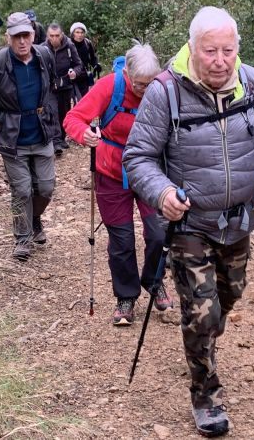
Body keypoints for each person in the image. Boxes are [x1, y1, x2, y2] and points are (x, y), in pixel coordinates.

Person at [124, 6, 254, 438]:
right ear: (193, 48)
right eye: (210, 51)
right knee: (202, 314)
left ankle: (201, 337)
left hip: (239, 221)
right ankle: (206, 396)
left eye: (228, 50)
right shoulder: (165, 93)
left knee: (230, 295)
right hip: (189, 223)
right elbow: (139, 157)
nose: (220, 60)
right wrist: (163, 193)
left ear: (237, 48)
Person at [64, 43, 167, 326]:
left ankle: (155, 282)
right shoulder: (110, 86)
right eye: (139, 84)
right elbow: (73, 118)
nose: (145, 89)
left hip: (149, 171)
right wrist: (84, 134)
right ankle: (126, 297)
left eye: (150, 83)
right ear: (127, 73)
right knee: (122, 240)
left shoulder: (162, 87)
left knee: (159, 234)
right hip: (112, 172)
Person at [0, 12, 59, 261]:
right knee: (21, 190)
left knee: (45, 187)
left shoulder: (44, 56)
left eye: (26, 35)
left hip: (42, 133)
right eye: (16, 37)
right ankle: (22, 239)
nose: (22, 41)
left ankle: (34, 218)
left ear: (33, 35)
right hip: (13, 139)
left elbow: (51, 84)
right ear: (8, 38)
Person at [45, 23, 85, 154]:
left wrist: (75, 72)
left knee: (64, 112)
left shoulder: (69, 46)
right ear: (47, 35)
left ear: (62, 35)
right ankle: (55, 141)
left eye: (57, 35)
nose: (54, 39)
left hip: (66, 85)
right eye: (51, 36)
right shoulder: (42, 48)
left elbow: (79, 64)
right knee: (53, 112)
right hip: (50, 86)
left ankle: (61, 138)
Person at [70, 22, 100, 100]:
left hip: (84, 76)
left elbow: (93, 58)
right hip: (72, 76)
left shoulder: (87, 43)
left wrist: (96, 65)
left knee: (84, 99)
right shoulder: (68, 44)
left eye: (82, 32)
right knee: (73, 100)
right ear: (73, 33)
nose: (80, 35)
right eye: (77, 32)